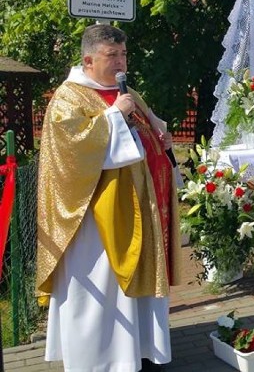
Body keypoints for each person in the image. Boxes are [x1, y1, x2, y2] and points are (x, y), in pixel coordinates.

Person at [36, 24, 181, 371]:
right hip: (93, 222)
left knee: (132, 291)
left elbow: (147, 131)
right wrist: (115, 115)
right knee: (101, 290)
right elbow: (72, 152)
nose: (120, 63)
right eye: (111, 56)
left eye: (123, 54)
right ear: (88, 59)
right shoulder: (68, 97)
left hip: (138, 210)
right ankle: (98, 360)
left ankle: (137, 351)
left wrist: (162, 140)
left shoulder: (125, 91)